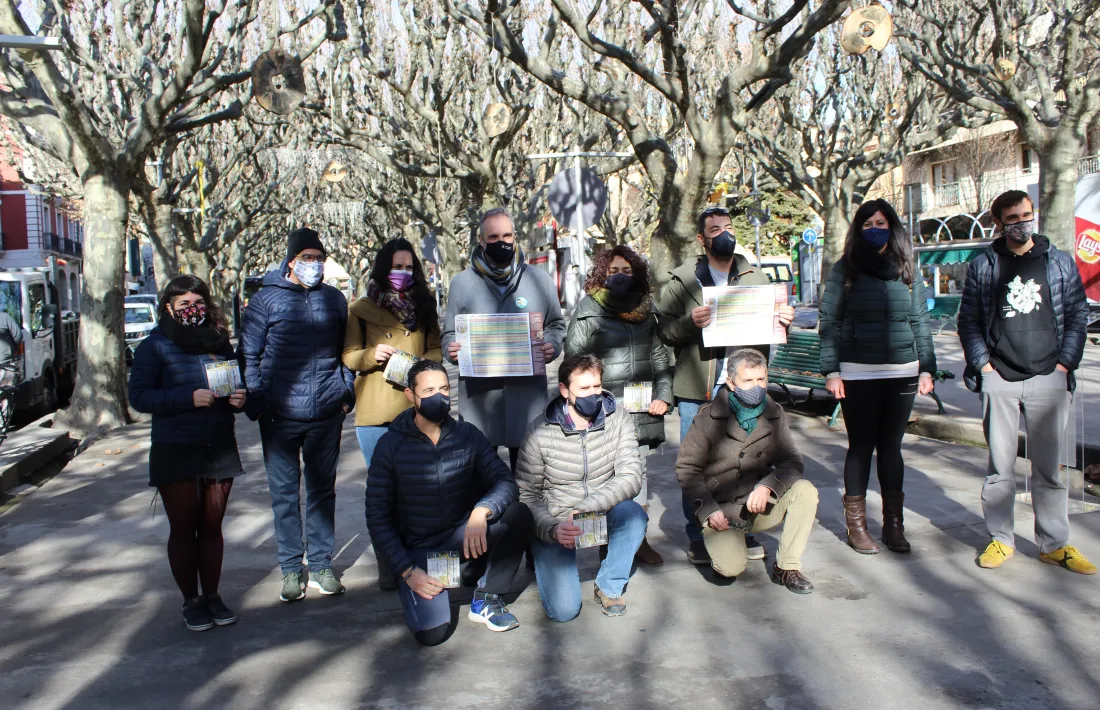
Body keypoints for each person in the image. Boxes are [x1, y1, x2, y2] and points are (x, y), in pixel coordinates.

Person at [958, 190, 1094, 574]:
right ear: (999, 223)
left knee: (1050, 468)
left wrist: (1065, 365)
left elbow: (1078, 316)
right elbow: (968, 320)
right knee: (1000, 468)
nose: (1022, 223)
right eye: (1013, 218)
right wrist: (983, 367)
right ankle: (1000, 540)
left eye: (1026, 215)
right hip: (999, 377)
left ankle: (1055, 544)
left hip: (1049, 377)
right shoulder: (985, 265)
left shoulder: (1059, 262)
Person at [656, 206, 795, 566]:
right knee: (698, 465)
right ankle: (699, 533)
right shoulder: (684, 280)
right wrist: (690, 322)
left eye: (728, 227)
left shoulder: (756, 278)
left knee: (745, 462)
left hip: (745, 388)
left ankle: (741, 529)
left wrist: (784, 321)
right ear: (702, 239)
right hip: (697, 390)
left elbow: (776, 329)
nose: (724, 234)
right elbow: (665, 332)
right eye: (715, 229)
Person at [366, 360, 535, 646]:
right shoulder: (390, 446)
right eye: (429, 389)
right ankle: (422, 586)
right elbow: (377, 518)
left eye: (444, 388)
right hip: (419, 553)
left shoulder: (467, 435)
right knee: (433, 635)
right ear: (411, 395)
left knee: (518, 515)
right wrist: (407, 571)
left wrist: (482, 512)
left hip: (462, 537)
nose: (439, 396)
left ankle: (487, 598)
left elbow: (505, 481)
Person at [240, 227, 357, 602]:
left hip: (326, 412)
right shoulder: (264, 301)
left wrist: (345, 393)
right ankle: (292, 569)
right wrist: (258, 403)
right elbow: (250, 356)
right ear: (291, 261)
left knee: (322, 492)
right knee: (284, 495)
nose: (314, 264)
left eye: (318, 258)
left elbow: (347, 351)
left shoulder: (335, 300)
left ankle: (322, 564)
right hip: (278, 417)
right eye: (306, 257)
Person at [818, 199, 936, 555]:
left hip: (901, 371)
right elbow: (830, 322)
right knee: (860, 447)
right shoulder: (846, 270)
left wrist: (926, 366)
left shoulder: (906, 269)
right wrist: (831, 371)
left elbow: (920, 322)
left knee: (891, 450)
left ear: (893, 226)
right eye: (868, 223)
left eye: (881, 222)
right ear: (858, 228)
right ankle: (857, 527)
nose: (875, 229)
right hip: (857, 373)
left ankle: (893, 526)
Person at [128, 275, 247, 631]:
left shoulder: (219, 344)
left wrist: (241, 400)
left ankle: (212, 595)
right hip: (175, 448)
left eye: (197, 304)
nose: (192, 310)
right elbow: (139, 397)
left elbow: (233, 385)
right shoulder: (155, 347)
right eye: (183, 305)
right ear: (168, 307)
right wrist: (186, 398)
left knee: (212, 527)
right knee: (184, 528)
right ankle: (191, 601)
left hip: (218, 445)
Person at [516, 354, 647, 620]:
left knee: (633, 514)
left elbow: (631, 476)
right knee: (564, 611)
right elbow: (526, 493)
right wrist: (551, 528)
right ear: (565, 391)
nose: (593, 395)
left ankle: (608, 585)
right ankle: (550, 559)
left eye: (597, 387)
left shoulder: (618, 418)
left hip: (600, 509)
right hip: (557, 520)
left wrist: (587, 507)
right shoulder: (540, 430)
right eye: (584, 389)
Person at [676, 349, 817, 592]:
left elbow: (792, 461)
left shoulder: (774, 412)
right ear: (731, 383)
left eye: (761, 379)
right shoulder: (707, 418)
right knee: (730, 569)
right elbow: (687, 469)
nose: (756, 386)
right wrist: (708, 512)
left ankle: (787, 567)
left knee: (805, 491)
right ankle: (725, 541)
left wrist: (768, 486)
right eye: (748, 380)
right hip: (721, 511)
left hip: (758, 505)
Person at [564, 245, 671, 566]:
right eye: (613, 271)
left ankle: (636, 541)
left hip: (640, 409)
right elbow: (574, 360)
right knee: (599, 477)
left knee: (636, 476)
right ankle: (601, 543)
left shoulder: (646, 310)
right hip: (600, 410)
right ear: (602, 274)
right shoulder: (588, 309)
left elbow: (660, 356)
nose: (621, 276)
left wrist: (664, 395)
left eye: (627, 271)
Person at [442, 208, 566, 471]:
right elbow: (449, 333)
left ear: (515, 237)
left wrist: (551, 346)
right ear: (481, 240)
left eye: (507, 235)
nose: (502, 242)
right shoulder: (461, 284)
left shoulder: (539, 279)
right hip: (479, 401)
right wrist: (450, 349)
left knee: (528, 482)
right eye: (494, 236)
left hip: (526, 400)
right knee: (481, 482)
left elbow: (556, 324)